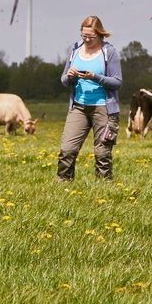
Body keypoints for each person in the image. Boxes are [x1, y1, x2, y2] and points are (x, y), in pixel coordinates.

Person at [57, 16, 122, 181]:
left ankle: (103, 189)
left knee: (102, 152)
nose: (86, 39)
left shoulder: (109, 52)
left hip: (103, 108)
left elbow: (117, 82)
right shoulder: (75, 49)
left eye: (91, 37)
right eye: (84, 35)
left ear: (100, 35)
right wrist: (70, 76)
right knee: (67, 149)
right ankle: (62, 185)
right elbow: (64, 80)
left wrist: (95, 77)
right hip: (79, 107)